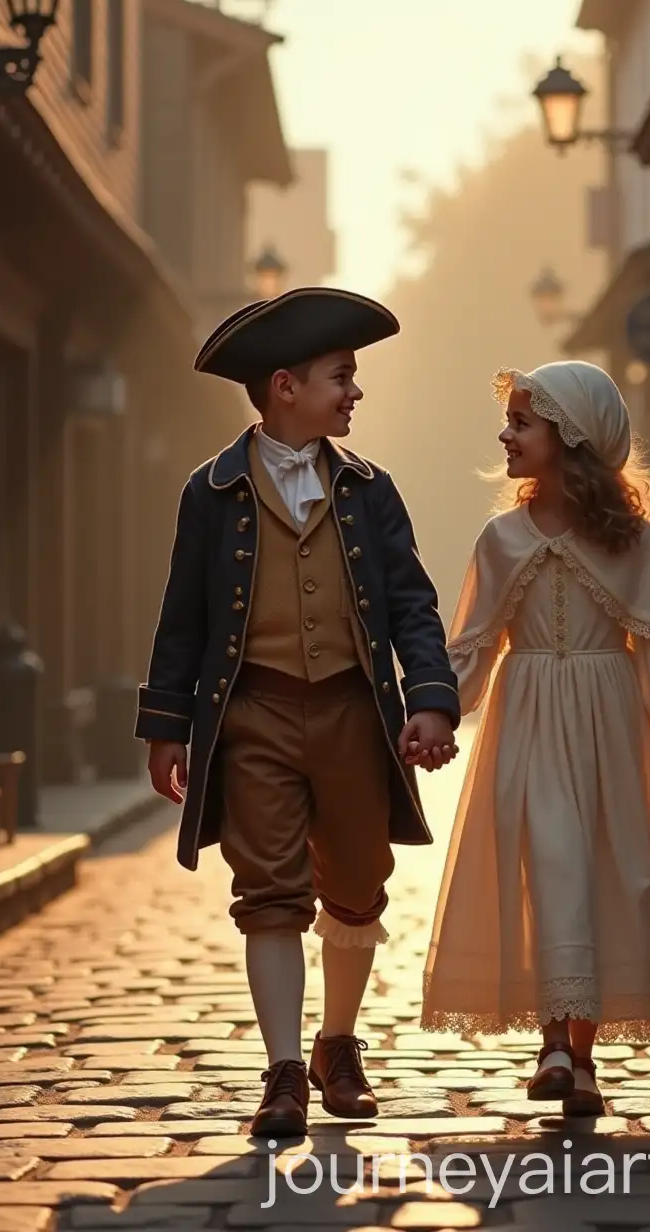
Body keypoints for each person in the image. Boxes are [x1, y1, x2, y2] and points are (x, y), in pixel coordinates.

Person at [136, 287, 461, 1137]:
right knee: (269, 894)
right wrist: (165, 725)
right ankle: (282, 1070)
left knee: (357, 887)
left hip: (356, 714)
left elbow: (413, 604)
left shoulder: (369, 490)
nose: (355, 393)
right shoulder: (208, 494)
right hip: (252, 717)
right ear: (286, 386)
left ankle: (337, 1044)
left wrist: (429, 699)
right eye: (341, 377)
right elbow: (183, 620)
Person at [418, 360, 650, 1116]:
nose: (506, 434)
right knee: (550, 864)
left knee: (604, 873)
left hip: (610, 726)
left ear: (570, 438)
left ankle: (580, 1055)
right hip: (527, 721)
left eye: (522, 423)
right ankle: (553, 1042)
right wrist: (433, 711)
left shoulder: (634, 542)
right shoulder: (500, 539)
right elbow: (470, 644)